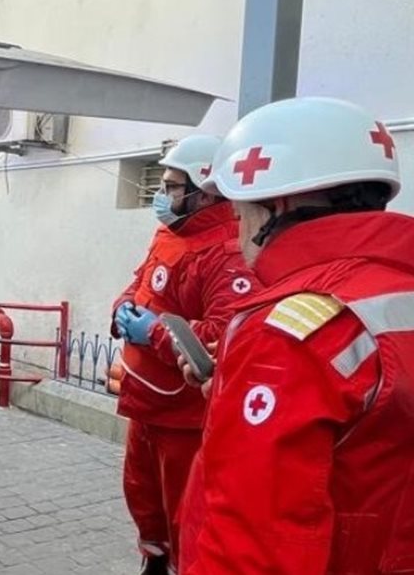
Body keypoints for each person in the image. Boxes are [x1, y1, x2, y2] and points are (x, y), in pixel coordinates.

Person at [177, 97, 414, 574]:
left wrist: (262, 374)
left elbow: (255, 549)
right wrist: (237, 389)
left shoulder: (296, 331)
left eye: (240, 213)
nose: (238, 230)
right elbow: (382, 431)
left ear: (276, 206)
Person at [109, 135, 261, 575]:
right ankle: (154, 559)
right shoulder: (171, 232)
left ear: (205, 192)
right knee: (143, 495)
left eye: (172, 186)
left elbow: (220, 337)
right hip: (146, 402)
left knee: (183, 509)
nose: (162, 194)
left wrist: (153, 331)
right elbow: (141, 281)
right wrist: (122, 307)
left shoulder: (227, 253)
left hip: (183, 416)